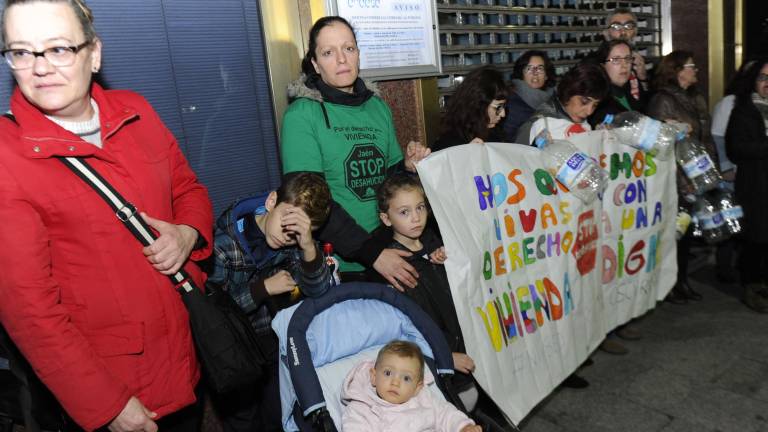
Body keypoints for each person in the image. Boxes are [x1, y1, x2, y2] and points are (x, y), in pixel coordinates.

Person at [0, 1, 213, 431]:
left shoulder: (136, 110)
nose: (39, 68)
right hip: (119, 388)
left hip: (186, 352)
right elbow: (29, 311)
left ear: (94, 54)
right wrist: (109, 405)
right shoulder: (7, 155)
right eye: (21, 52)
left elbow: (189, 189)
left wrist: (187, 234)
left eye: (58, 48)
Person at [281, 16, 429, 292]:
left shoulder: (377, 108)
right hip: (340, 266)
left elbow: (390, 183)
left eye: (348, 48)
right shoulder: (301, 115)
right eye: (328, 52)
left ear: (358, 53)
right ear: (315, 63)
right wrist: (372, 253)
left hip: (391, 249)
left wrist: (407, 168)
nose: (341, 59)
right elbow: (309, 203)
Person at [206, 172, 332, 431]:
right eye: (286, 225)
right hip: (235, 352)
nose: (288, 237)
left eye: (298, 233)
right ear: (272, 201)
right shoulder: (222, 245)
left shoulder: (297, 241)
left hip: (275, 344)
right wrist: (262, 289)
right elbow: (214, 317)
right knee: (244, 419)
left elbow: (319, 292)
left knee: (279, 413)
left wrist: (308, 248)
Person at [369, 173, 477, 399]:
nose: (416, 218)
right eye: (404, 212)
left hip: (464, 342)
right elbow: (405, 326)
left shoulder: (434, 240)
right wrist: (444, 355)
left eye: (420, 208)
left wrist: (449, 261)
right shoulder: (392, 265)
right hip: (433, 360)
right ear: (386, 219)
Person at [647, 50, 716, 304]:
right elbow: (657, 140)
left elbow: (704, 137)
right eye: (691, 66)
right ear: (676, 71)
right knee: (673, 233)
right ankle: (670, 284)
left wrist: (711, 169)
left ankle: (681, 280)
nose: (695, 70)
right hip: (675, 177)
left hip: (695, 173)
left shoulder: (695, 97)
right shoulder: (663, 100)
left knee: (685, 232)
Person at [341, 340, 481, 432]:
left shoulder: (423, 398)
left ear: (417, 387)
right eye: (388, 373)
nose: (395, 382)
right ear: (373, 376)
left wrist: (463, 427)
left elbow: (445, 414)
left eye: (406, 378)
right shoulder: (361, 408)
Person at [725, 58, 768, 313]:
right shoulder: (743, 110)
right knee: (756, 239)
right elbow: (735, 149)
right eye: (763, 78)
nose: (767, 83)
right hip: (756, 186)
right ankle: (752, 286)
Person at [516, 62, 610, 146]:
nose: (589, 111)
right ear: (568, 92)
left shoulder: (582, 119)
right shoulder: (539, 125)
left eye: (595, 105)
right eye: (584, 101)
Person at [432, 65, 508, 152]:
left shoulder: (495, 132)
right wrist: (466, 155)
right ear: (478, 106)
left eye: (504, 106)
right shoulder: (450, 143)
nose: (503, 114)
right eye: (498, 107)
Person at [588, 39, 648, 127]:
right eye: (616, 60)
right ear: (602, 65)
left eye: (627, 59)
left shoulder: (633, 86)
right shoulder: (597, 100)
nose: (624, 65)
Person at [502, 51, 556, 142]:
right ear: (521, 74)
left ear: (546, 75)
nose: (535, 73)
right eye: (529, 68)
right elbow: (506, 140)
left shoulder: (553, 98)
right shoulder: (511, 102)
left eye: (540, 68)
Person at [603, 7, 649, 100]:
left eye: (628, 26)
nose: (623, 32)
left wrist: (642, 77)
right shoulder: (596, 61)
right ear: (607, 32)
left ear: (635, 31)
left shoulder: (637, 60)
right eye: (616, 27)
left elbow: (644, 100)